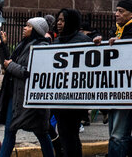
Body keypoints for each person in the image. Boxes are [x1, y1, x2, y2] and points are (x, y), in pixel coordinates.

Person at [96, 0, 132, 157]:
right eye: (116, 10)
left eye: (121, 11)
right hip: (114, 90)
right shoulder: (117, 31)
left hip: (129, 92)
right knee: (119, 135)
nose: (116, 14)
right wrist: (100, 45)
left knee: (118, 136)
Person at [0, 17, 55, 157]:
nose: (24, 28)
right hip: (16, 95)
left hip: (30, 98)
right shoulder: (23, 44)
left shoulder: (42, 47)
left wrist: (10, 66)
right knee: (10, 130)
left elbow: (28, 72)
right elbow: (8, 63)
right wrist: (3, 46)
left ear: (36, 30)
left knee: (41, 132)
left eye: (28, 26)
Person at [53, 9, 91, 157]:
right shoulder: (56, 41)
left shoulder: (83, 41)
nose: (59, 23)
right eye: (58, 20)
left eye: (62, 20)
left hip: (76, 98)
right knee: (65, 134)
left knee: (71, 134)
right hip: (59, 97)